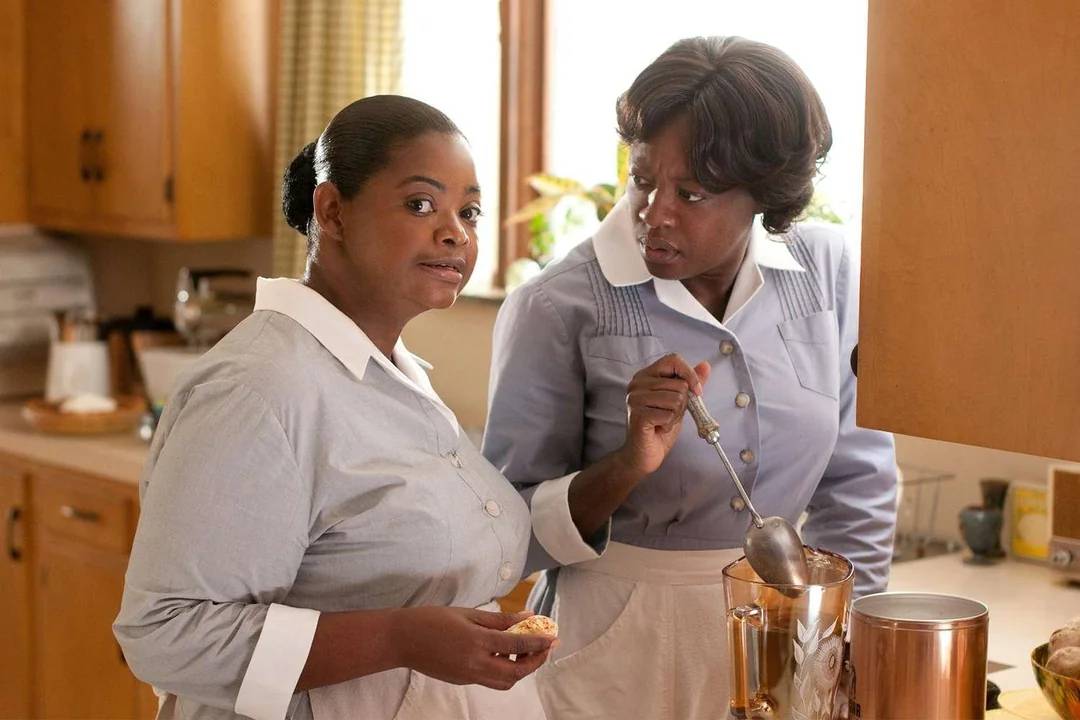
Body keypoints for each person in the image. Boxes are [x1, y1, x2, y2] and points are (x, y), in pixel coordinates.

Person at [114, 95, 586, 720]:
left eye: (468, 211)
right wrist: (401, 638)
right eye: (421, 204)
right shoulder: (258, 390)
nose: (456, 232)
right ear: (332, 211)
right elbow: (166, 633)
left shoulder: (388, 373)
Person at [483, 36, 898, 719]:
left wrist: (843, 638)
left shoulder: (828, 277)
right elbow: (505, 534)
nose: (655, 212)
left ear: (762, 194)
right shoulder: (559, 304)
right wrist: (625, 464)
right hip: (614, 645)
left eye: (693, 192)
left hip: (783, 638)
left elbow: (859, 478)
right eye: (644, 178)